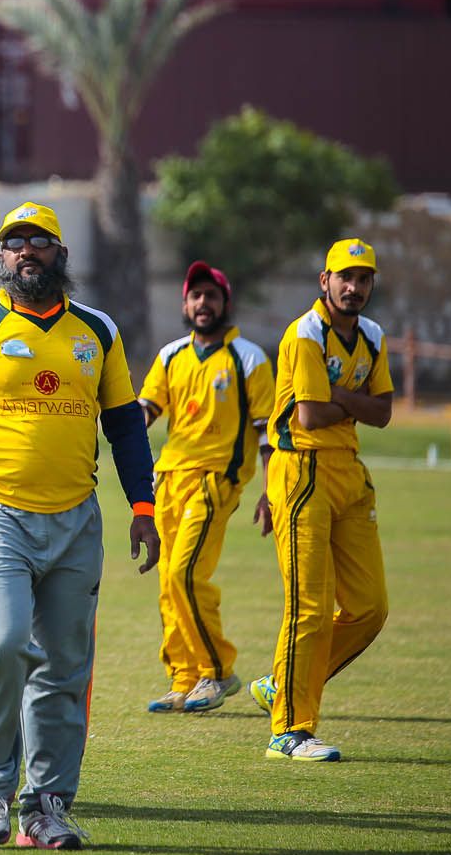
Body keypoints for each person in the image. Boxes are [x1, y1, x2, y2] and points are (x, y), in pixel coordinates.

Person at [0, 202, 158, 850]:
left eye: (40, 241)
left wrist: (143, 507)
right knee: (4, 644)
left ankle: (46, 805)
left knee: (64, 668)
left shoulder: (98, 331)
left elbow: (126, 427)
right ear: (0, 258)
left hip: (77, 520)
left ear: (61, 253)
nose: (27, 250)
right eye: (14, 241)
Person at [250, 238, 392, 762]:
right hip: (302, 471)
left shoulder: (372, 336)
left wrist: (339, 398)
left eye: (363, 278)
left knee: (370, 609)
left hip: (349, 473)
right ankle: (289, 730)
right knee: (309, 605)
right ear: (324, 281)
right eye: (344, 277)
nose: (354, 287)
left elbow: (384, 413)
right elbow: (309, 416)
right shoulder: (305, 332)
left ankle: (282, 682)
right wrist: (357, 403)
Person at [138, 262, 274, 715]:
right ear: (184, 304)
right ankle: (184, 678)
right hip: (168, 480)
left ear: (225, 303)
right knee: (167, 583)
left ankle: (217, 671)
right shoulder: (171, 355)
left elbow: (268, 433)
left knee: (186, 574)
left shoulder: (248, 358)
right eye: (195, 295)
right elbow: (145, 410)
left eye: (211, 296)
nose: (202, 303)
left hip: (216, 479)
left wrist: (271, 491)